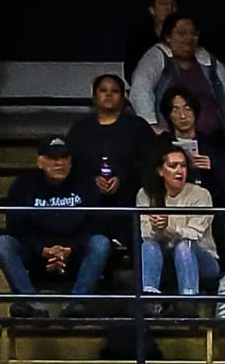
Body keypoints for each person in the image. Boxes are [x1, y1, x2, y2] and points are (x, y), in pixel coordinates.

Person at [0, 137, 112, 318]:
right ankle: (29, 302)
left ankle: (77, 302)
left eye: (65, 157)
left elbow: (96, 223)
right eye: (53, 158)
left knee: (101, 242)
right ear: (40, 162)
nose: (60, 163)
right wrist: (43, 249)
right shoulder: (23, 185)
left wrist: (69, 248)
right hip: (37, 254)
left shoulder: (86, 184)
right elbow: (16, 225)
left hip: (75, 254)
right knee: (3, 243)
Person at [65, 74, 159, 240]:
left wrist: (123, 178)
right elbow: (70, 164)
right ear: (94, 96)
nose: (108, 95)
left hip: (131, 199)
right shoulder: (80, 129)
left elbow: (151, 161)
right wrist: (92, 179)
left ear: (123, 97)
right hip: (90, 201)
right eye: (103, 90)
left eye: (114, 91)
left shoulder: (137, 127)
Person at [130, 12, 225, 136]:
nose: (189, 38)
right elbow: (140, 92)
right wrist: (153, 131)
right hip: (174, 142)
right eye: (182, 33)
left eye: (193, 33)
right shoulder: (155, 57)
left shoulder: (208, 61)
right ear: (168, 36)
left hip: (217, 139)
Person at [136, 145, 218, 302]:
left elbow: (196, 234)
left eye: (183, 166)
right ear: (160, 171)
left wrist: (169, 228)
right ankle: (150, 298)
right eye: (173, 166)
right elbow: (144, 232)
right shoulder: (146, 194)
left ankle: (188, 300)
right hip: (165, 261)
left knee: (183, 246)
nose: (180, 171)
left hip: (203, 260)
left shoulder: (201, 194)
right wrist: (157, 228)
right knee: (149, 245)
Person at [157, 87, 225, 199]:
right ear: (168, 115)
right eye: (175, 110)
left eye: (187, 109)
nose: (183, 116)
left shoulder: (212, 144)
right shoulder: (161, 145)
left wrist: (212, 167)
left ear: (195, 111)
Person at [123, 0, 178, 77]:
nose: (169, 7)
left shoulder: (187, 36)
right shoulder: (139, 37)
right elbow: (130, 71)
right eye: (163, 4)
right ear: (152, 9)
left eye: (173, 5)